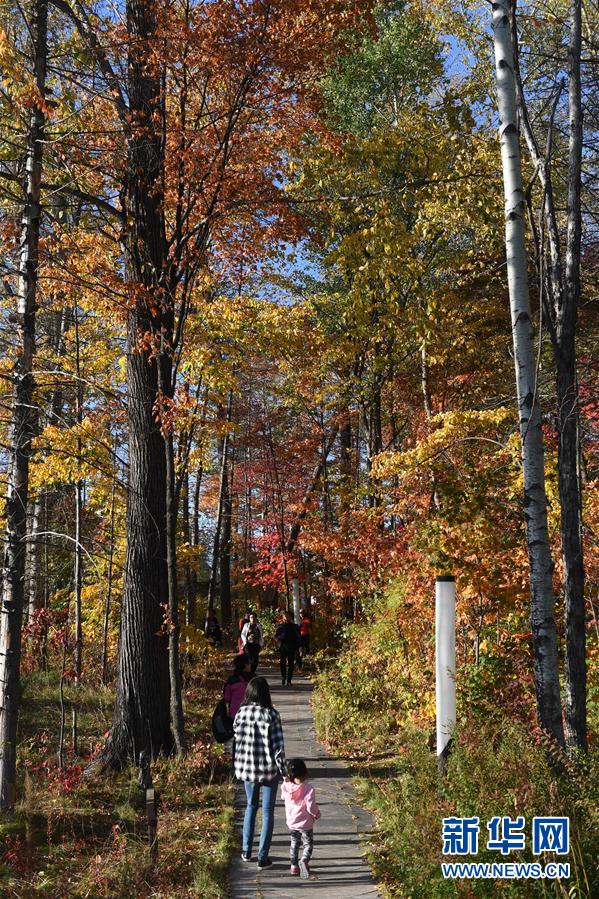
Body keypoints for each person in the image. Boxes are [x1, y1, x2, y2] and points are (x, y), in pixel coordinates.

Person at [233, 676, 286, 869]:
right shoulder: (271, 714)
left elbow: (237, 738)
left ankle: (246, 851)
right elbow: (278, 747)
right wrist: (285, 771)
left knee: (250, 806)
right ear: (265, 693)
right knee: (267, 812)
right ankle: (263, 857)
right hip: (268, 769)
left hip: (247, 769)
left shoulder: (241, 713)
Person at [281, 757, 321, 878]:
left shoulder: (286, 787)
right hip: (305, 823)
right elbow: (310, 807)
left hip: (292, 822)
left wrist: (286, 781)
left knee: (294, 843)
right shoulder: (308, 789)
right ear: (305, 773)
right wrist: (317, 814)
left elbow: (283, 797)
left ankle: (294, 866)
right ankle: (304, 860)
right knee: (308, 844)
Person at [223, 653, 253, 720]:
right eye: (249, 663)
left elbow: (226, 698)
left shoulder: (231, 680)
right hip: (253, 715)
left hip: (236, 715)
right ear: (245, 665)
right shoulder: (255, 679)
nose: (251, 665)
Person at [275, 611, 300, 686]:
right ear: (283, 618)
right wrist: (280, 638)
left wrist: (299, 647)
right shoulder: (280, 627)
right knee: (282, 663)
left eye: (287, 616)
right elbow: (276, 637)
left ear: (290, 617)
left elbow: (298, 637)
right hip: (282, 647)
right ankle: (283, 677)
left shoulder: (295, 626)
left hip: (292, 647)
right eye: (285, 616)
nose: (286, 618)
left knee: (291, 664)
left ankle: (289, 680)